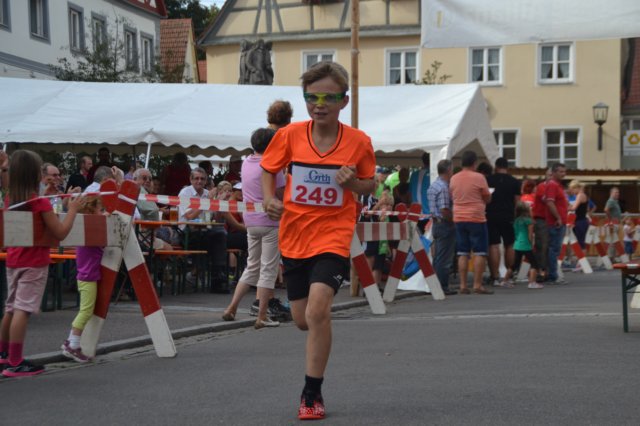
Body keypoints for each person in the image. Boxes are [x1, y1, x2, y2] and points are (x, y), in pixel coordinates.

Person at [261, 61, 375, 420]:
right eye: (312, 97)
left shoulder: (359, 141)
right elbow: (268, 168)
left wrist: (352, 184)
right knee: (302, 319)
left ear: (344, 100)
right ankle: (317, 338)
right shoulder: (289, 136)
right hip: (295, 235)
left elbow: (369, 183)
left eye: (328, 97)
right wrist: (268, 199)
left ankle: (311, 394)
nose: (319, 104)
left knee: (318, 310)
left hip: (334, 235)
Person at [1, 150, 83, 377]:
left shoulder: (12, 199)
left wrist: (45, 196)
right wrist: (73, 210)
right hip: (34, 262)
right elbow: (60, 232)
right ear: (34, 174)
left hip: (14, 260)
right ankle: (15, 362)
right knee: (22, 310)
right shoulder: (40, 203)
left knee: (10, 309)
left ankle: (4, 355)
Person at [222, 128, 288, 328]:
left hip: (250, 220)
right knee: (268, 269)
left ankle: (232, 307)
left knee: (252, 266)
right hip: (270, 220)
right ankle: (262, 315)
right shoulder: (273, 164)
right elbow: (281, 192)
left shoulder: (246, 163)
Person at [60, 196, 104, 363]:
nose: (103, 213)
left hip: (87, 275)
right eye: (100, 210)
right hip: (88, 276)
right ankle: (73, 345)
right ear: (91, 212)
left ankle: (70, 341)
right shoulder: (91, 233)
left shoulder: (85, 231)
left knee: (85, 310)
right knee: (85, 311)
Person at [178, 168, 228, 293]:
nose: (199, 181)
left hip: (205, 230)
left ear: (206, 181)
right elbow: (189, 216)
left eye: (202, 179)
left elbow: (215, 218)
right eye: (196, 178)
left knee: (220, 233)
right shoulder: (185, 193)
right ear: (191, 180)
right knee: (216, 237)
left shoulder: (207, 193)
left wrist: (220, 203)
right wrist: (206, 202)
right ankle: (213, 277)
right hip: (187, 233)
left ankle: (215, 277)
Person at [449, 150, 493, 295]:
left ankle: (463, 285)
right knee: (480, 252)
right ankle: (477, 285)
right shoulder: (479, 177)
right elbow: (487, 197)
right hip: (476, 218)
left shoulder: (454, 178)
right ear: (474, 163)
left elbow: (452, 196)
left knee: (462, 252)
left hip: (459, 218)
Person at [486, 157, 521, 288]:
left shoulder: (488, 180)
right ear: (507, 167)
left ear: (495, 167)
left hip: (491, 216)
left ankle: (495, 276)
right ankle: (508, 276)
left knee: (494, 245)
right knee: (510, 244)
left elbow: (485, 198)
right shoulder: (514, 182)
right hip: (509, 216)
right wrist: (517, 217)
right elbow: (517, 202)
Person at [427, 159, 457, 295]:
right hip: (444, 224)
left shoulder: (434, 185)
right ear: (449, 170)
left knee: (438, 257)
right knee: (444, 258)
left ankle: (434, 285)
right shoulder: (444, 187)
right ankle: (441, 286)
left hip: (436, 223)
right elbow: (444, 209)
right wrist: (453, 220)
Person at [504, 202, 543, 289]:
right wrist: (531, 244)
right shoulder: (528, 221)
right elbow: (530, 234)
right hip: (526, 244)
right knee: (534, 263)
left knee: (515, 264)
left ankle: (505, 281)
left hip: (517, 244)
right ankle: (532, 282)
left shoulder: (516, 220)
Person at [545, 163, 568, 285]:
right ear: (553, 172)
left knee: (554, 249)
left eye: (564, 171)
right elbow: (549, 202)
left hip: (558, 221)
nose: (563, 174)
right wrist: (558, 217)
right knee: (554, 249)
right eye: (561, 171)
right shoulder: (553, 185)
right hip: (555, 223)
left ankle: (552, 274)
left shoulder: (557, 185)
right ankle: (552, 275)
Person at [532, 169, 552, 282]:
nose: (551, 177)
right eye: (549, 175)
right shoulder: (541, 186)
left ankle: (547, 271)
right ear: (545, 176)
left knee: (549, 246)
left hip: (551, 220)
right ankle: (541, 271)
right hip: (542, 219)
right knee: (542, 246)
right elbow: (548, 200)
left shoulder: (555, 187)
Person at [568, 180, 590, 250]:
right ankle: (580, 256)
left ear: (576, 188)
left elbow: (573, 208)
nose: (572, 192)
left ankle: (581, 256)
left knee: (580, 242)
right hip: (581, 220)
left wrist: (564, 208)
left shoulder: (580, 195)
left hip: (580, 221)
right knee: (580, 241)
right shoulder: (582, 195)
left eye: (572, 190)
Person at [409, 152, 431, 217]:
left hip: (415, 213)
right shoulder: (433, 174)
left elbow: (410, 193)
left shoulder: (414, 175)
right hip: (429, 213)